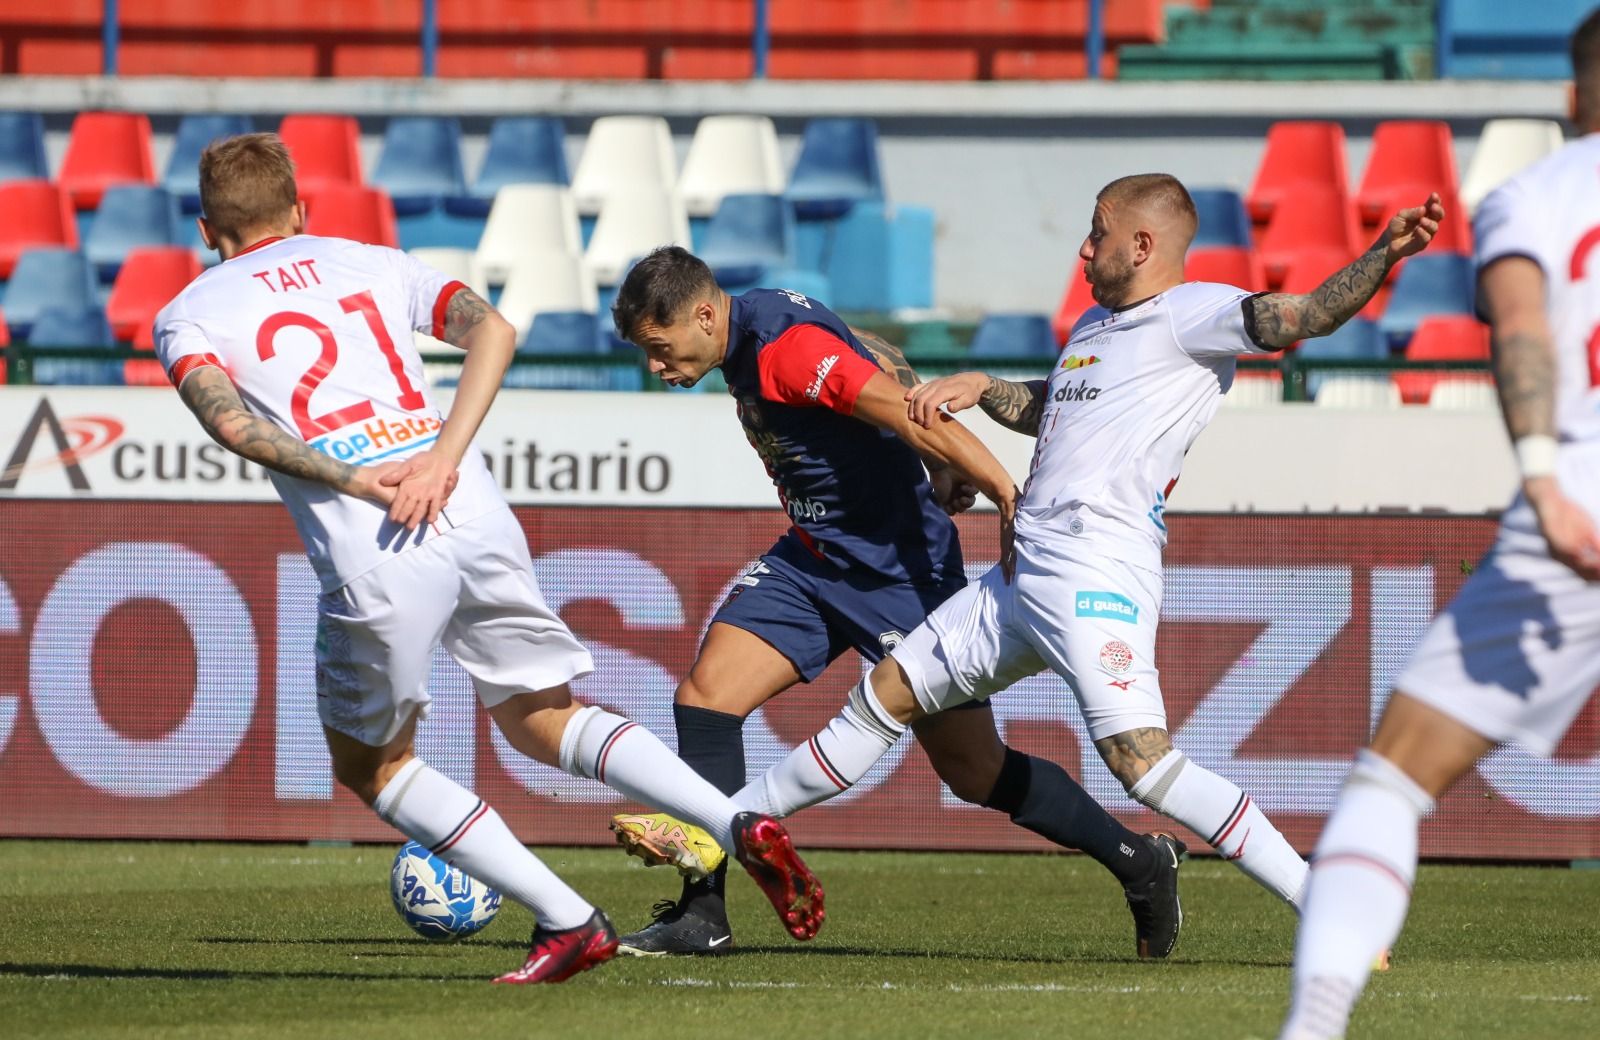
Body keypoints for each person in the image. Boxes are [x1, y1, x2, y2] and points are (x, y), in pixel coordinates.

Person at [151, 133, 823, 985]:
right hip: (472, 508)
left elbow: (232, 424)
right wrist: (442, 458)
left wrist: (359, 480)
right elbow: (495, 330)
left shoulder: (189, 312)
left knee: (374, 765)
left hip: (377, 540)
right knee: (546, 715)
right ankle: (734, 823)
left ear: (207, 229)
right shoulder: (372, 262)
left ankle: (569, 920)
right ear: (299, 209)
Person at [727, 174, 1443, 927]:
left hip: (1093, 567)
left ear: (1143, 245)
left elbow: (1308, 314)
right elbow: (1056, 408)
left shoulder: (1193, 316)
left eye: (1098, 233)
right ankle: (720, 823)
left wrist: (1383, 254)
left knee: (1144, 765)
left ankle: (1330, 910)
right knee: (885, 694)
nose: (1084, 247)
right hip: (1019, 576)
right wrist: (984, 386)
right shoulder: (1096, 328)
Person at [607, 246, 1185, 959]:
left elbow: (909, 412)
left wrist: (1003, 492)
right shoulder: (756, 322)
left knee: (974, 771)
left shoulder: (785, 349)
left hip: (899, 573)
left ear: (702, 314)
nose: (656, 366)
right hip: (813, 559)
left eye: (660, 348)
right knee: (705, 699)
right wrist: (939, 468)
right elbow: (875, 354)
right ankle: (704, 916)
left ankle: (1140, 861)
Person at [1246, 11, 1600, 1040]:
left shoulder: (1532, 197)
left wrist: (1543, 479)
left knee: (1393, 781)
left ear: (1572, 94)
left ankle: (1311, 1037)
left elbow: (1522, 333)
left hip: (1576, 508)